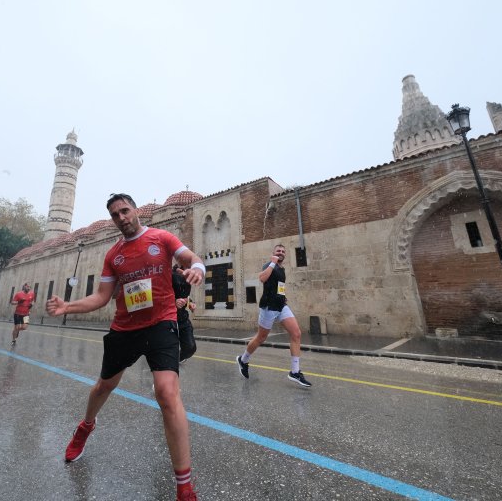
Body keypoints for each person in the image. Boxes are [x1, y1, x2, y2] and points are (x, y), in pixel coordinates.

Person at [46, 193, 204, 501]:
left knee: (167, 394)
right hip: (125, 328)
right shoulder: (113, 255)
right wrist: (67, 307)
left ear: (135, 211)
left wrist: (198, 268)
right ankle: (85, 426)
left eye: (125, 210)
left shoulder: (162, 238)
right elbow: (101, 296)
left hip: (161, 323)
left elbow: (192, 258)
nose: (121, 217)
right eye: (115, 214)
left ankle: (184, 486)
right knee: (104, 386)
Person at [236, 244, 312, 387]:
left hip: (281, 305)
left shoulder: (282, 269)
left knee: (296, 333)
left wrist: (283, 297)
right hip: (269, 307)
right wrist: (272, 263)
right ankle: (243, 359)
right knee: (261, 337)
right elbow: (262, 278)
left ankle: (295, 372)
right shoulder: (269, 265)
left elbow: (280, 287)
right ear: (273, 253)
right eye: (278, 251)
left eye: (283, 251)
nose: (280, 253)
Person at [172, 264, 197, 363]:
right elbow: (159, 295)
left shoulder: (188, 277)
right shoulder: (170, 275)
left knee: (190, 348)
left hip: (183, 319)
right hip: (168, 319)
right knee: (167, 349)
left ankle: (177, 359)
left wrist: (190, 303)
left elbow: (185, 296)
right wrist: (174, 302)